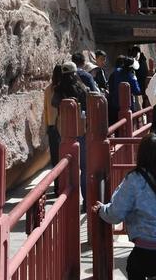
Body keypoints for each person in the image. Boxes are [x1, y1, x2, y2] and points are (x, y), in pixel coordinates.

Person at [93, 133, 156, 280]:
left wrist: (101, 210)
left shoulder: (135, 180)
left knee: (133, 267)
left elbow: (115, 214)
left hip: (149, 252)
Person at [53, 61, 89, 204]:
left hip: (64, 131)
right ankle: (86, 201)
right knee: (84, 167)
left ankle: (68, 202)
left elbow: (54, 103)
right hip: (81, 129)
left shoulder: (58, 89)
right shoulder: (82, 88)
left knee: (67, 167)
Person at [43, 64, 63, 194]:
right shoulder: (63, 89)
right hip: (64, 128)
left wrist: (47, 126)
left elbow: (45, 110)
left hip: (51, 127)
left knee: (55, 159)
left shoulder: (47, 90)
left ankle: (57, 187)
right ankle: (64, 185)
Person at [108, 56, 142, 124]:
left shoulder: (116, 72)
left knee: (116, 125)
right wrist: (135, 79)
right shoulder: (131, 77)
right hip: (128, 105)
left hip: (115, 103)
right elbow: (137, 91)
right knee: (127, 125)